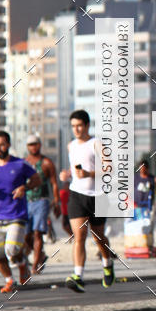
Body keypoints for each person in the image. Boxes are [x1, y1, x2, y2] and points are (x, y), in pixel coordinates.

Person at [65, 110, 116, 293]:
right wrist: (68, 174)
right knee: (79, 236)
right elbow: (75, 169)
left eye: (79, 125)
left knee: (99, 237)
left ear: (87, 125)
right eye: (73, 126)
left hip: (98, 196)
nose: (76, 129)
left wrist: (90, 174)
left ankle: (107, 263)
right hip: (77, 194)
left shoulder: (96, 143)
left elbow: (110, 168)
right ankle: (78, 276)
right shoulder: (70, 146)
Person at [0, 131, 41, 292]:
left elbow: (37, 179)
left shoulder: (20, 164)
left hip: (16, 215)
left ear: (8, 145)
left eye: (1, 144)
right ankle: (10, 280)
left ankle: (22, 264)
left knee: (11, 250)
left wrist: (25, 187)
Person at [24, 134, 61, 275]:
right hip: (26, 201)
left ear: (39, 145)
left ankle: (35, 265)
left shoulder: (46, 163)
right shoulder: (24, 162)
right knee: (27, 236)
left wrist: (56, 201)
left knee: (38, 233)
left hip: (42, 200)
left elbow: (54, 183)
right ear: (27, 147)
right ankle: (41, 255)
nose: (33, 147)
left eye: (35, 144)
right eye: (30, 144)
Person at [58, 170, 73, 238]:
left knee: (66, 225)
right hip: (65, 212)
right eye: (65, 185)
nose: (66, 186)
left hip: (70, 211)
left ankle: (72, 236)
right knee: (65, 225)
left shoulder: (71, 193)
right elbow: (57, 199)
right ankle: (72, 235)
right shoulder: (62, 192)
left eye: (67, 185)